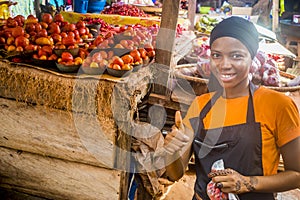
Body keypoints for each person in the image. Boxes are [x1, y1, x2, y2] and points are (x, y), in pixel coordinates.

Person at [158, 16, 300, 200]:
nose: (224, 65)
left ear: (253, 58)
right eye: (217, 55)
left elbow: (296, 175)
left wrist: (247, 182)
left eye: (236, 56)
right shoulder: (200, 105)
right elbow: (176, 174)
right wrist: (172, 151)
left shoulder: (277, 105)